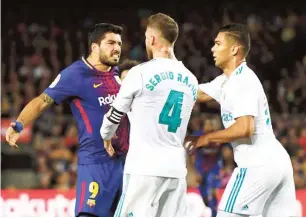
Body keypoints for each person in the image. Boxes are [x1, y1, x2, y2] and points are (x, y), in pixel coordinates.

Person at [5, 23, 130, 217]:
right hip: (96, 164)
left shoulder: (116, 74)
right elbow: (41, 101)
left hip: (125, 164)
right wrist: (19, 124)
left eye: (119, 44)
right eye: (111, 43)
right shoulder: (74, 74)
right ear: (95, 47)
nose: (117, 48)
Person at [185, 23, 296, 217]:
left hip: (257, 165)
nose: (212, 49)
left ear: (234, 49)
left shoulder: (243, 81)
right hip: (276, 163)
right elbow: (198, 93)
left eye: (218, 44)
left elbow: (245, 128)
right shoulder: (227, 80)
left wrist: (204, 139)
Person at [100, 13, 198, 217]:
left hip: (143, 168)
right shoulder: (191, 80)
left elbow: (115, 114)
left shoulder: (140, 73)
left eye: (146, 36)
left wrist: (106, 135)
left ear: (152, 38)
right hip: (176, 171)